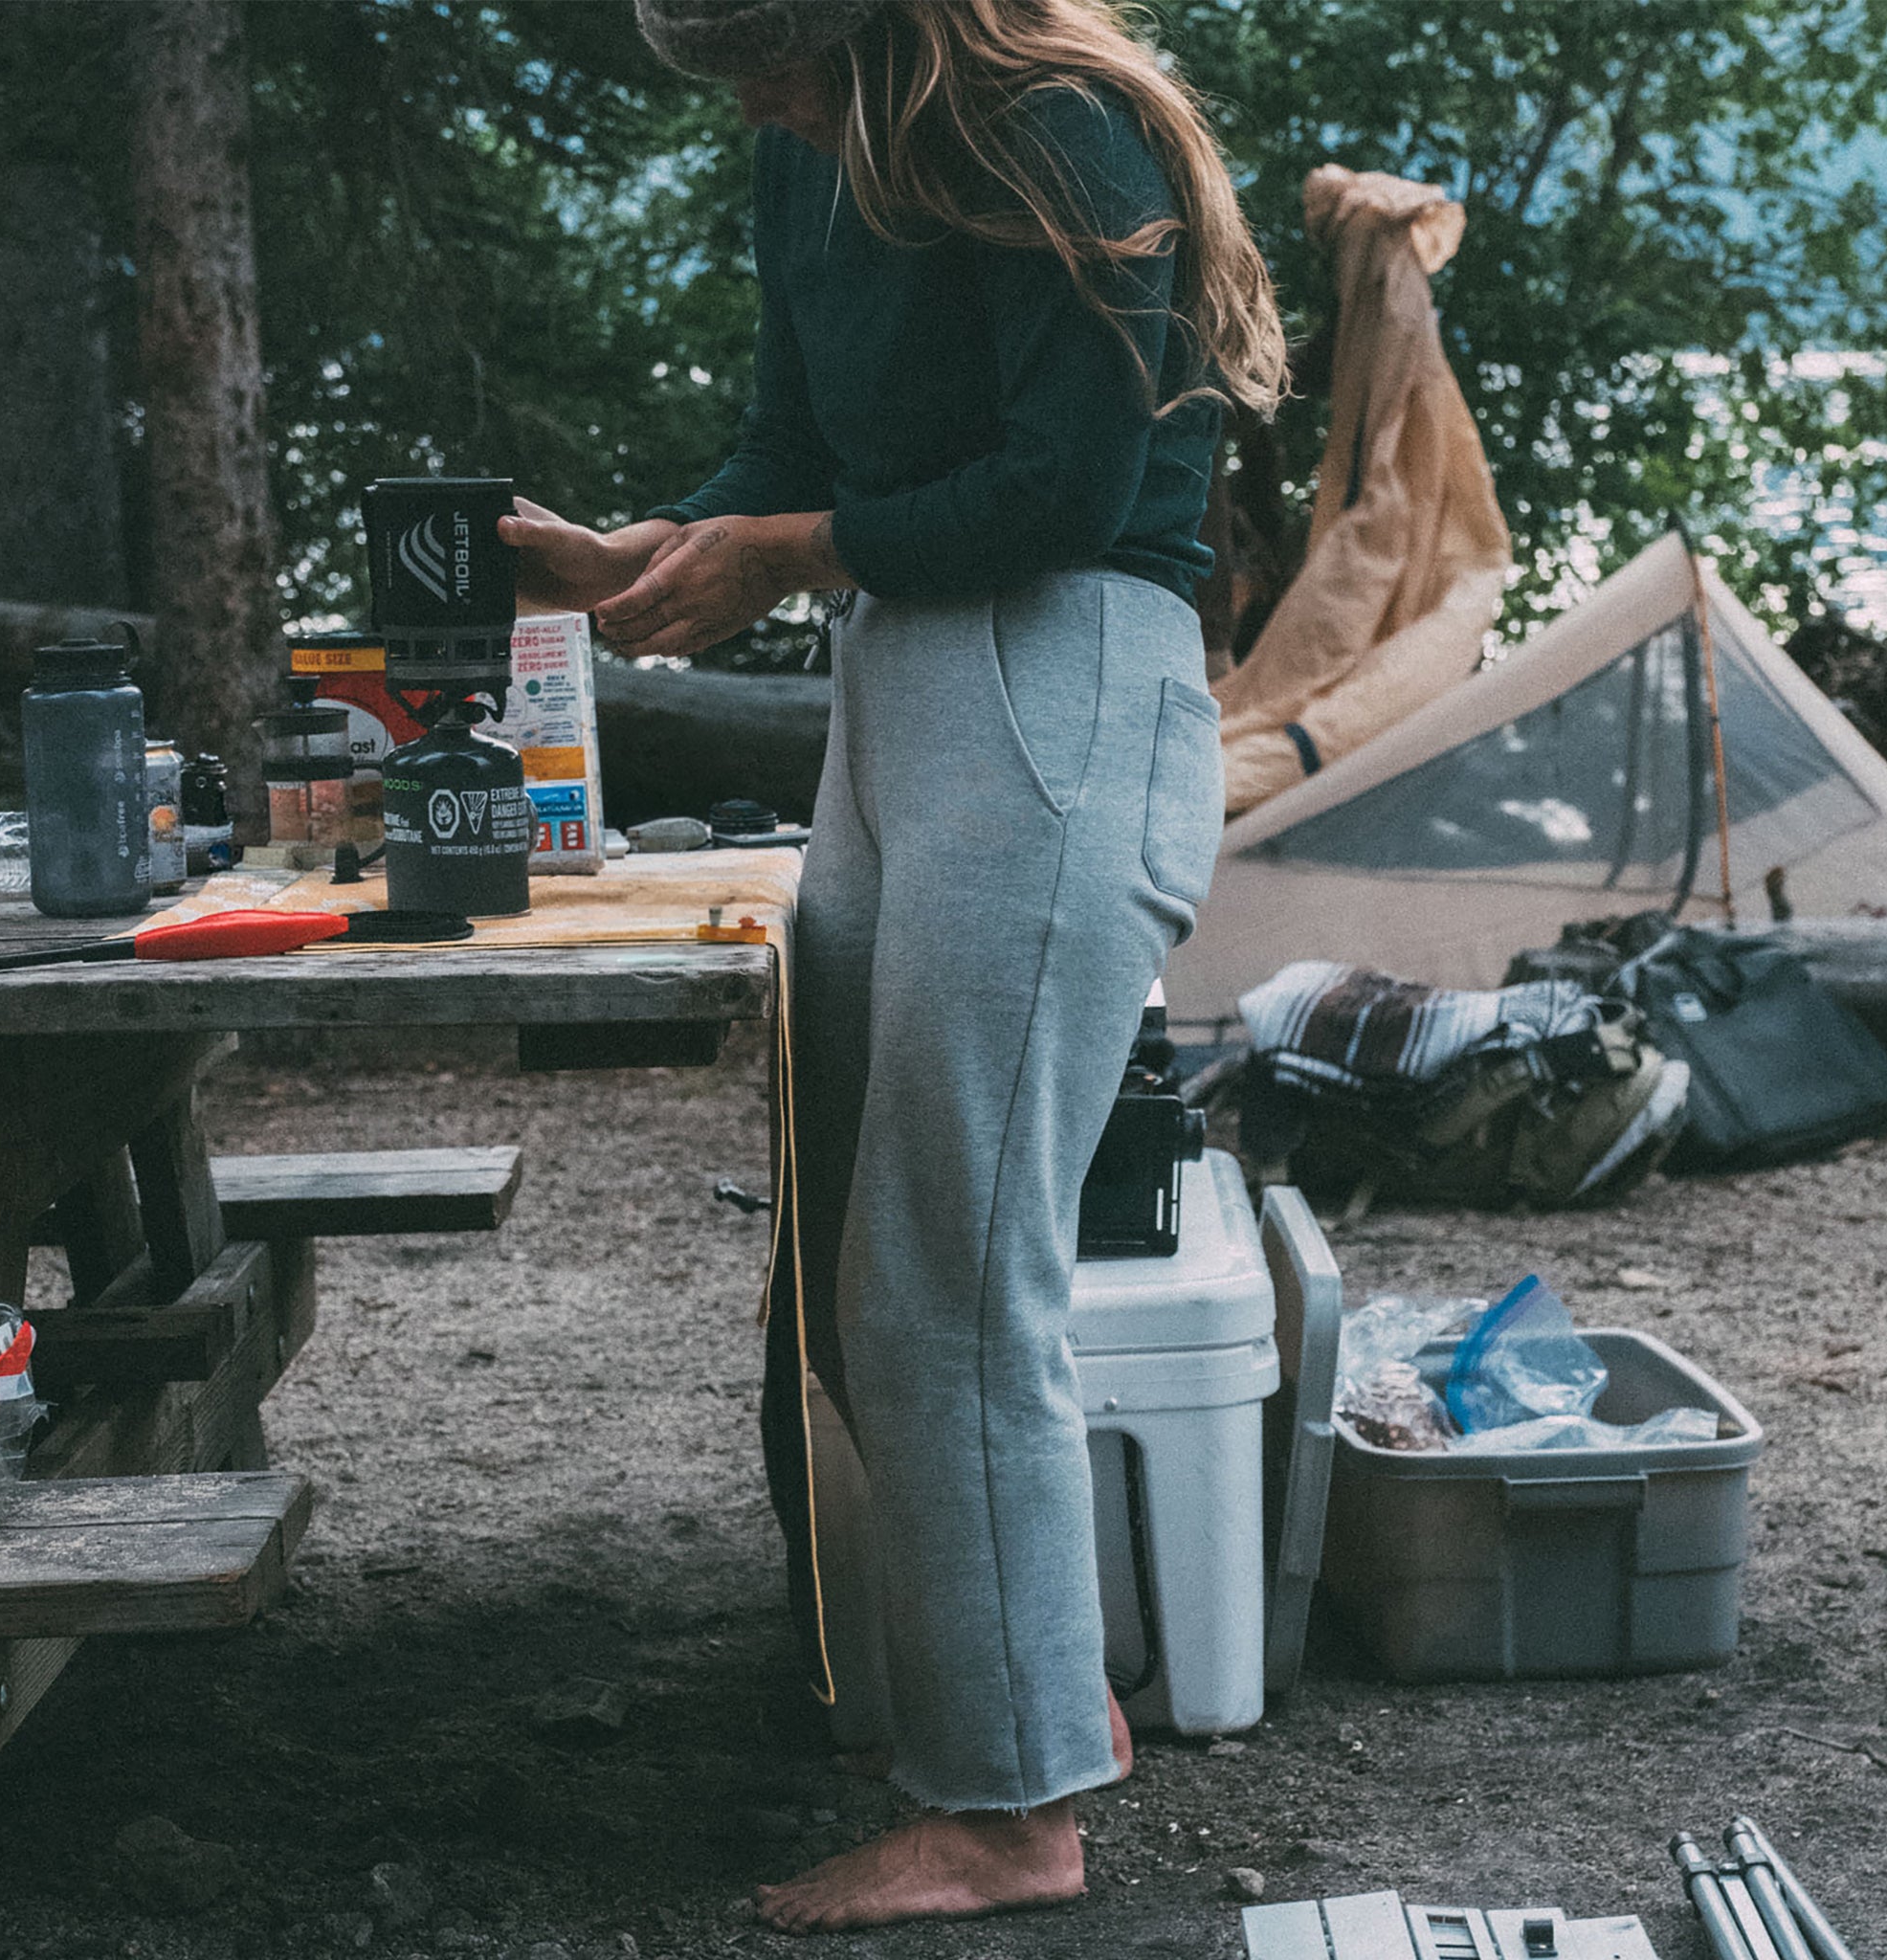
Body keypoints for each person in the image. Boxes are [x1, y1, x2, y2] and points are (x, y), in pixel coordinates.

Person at [502, 0, 1284, 1933]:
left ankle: (1013, 1810)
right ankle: (994, 1704)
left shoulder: (1057, 132)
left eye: (764, 61)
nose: (750, 104)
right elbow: (795, 447)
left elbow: (1064, 489)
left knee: (950, 1263)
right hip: (906, 700)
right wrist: (656, 551)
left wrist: (786, 550)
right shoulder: (811, 145)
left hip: (1058, 680)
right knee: (866, 1263)